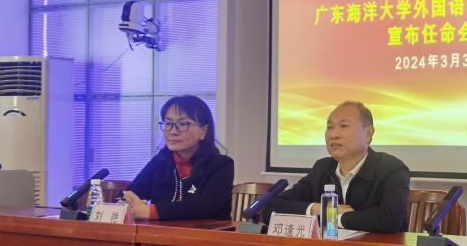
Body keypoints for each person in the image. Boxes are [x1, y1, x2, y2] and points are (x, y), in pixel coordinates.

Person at [261, 101, 410, 233]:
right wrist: (317, 209)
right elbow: (271, 209)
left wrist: (332, 217)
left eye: (344, 126)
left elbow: (390, 219)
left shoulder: (391, 169)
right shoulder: (323, 168)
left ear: (368, 133)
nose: (333, 135)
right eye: (330, 127)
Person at [123, 95, 234, 221]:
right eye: (168, 123)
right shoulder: (161, 161)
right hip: (161, 233)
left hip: (207, 232)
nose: (173, 131)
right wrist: (127, 202)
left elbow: (206, 206)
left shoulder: (221, 165)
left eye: (182, 124)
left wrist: (150, 211)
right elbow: (131, 193)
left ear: (203, 131)